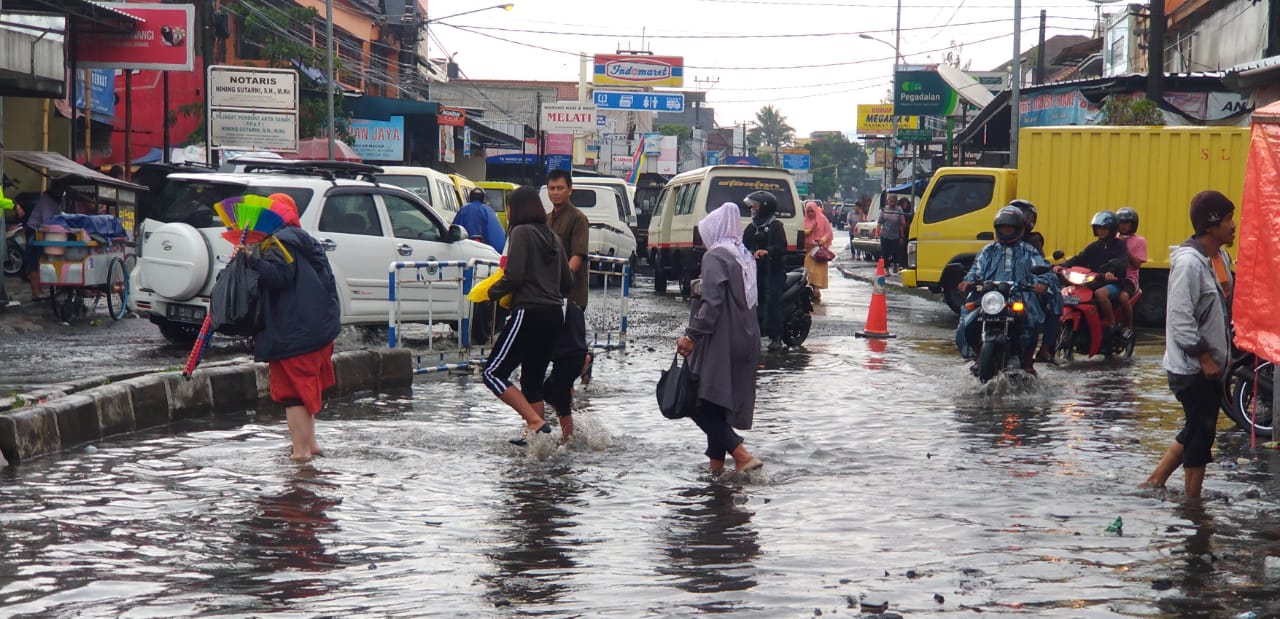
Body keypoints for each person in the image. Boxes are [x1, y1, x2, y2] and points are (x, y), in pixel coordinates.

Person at [1140, 190, 1235, 500]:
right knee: (1202, 430)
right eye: (1228, 220)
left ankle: (1156, 481)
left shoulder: (1221, 258)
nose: (1233, 226)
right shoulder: (1189, 264)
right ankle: (1192, 501)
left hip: (1213, 364)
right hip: (1191, 367)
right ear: (1210, 225)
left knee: (1197, 425)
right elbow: (1180, 319)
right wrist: (1204, 356)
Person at [244, 193, 342, 462]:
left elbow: (279, 277)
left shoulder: (279, 243)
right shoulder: (303, 241)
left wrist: (252, 260)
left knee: (293, 394)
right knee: (306, 387)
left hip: (294, 332)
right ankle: (311, 444)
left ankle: (300, 455)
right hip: (316, 329)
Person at [481, 186, 574, 445]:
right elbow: (568, 282)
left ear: (515, 210)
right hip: (555, 315)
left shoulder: (521, 233)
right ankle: (536, 440)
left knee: (492, 372)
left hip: (530, 313)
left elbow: (514, 276)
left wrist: (490, 292)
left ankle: (534, 422)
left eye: (508, 208)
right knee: (531, 379)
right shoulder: (553, 237)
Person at [677, 203, 764, 478]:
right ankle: (715, 473)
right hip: (747, 337)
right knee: (716, 405)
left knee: (695, 403)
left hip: (722, 338)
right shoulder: (743, 255)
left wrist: (692, 335)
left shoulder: (715, 257)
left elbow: (712, 303)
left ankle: (741, 455)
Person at [956, 207, 1053, 375]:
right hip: (989, 296)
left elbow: (1043, 267)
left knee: (1032, 321)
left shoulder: (1028, 250)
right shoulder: (987, 250)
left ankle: (1028, 362)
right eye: (1002, 228)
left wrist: (1041, 282)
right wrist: (967, 282)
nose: (1005, 231)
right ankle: (979, 356)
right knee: (969, 320)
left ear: (1018, 229)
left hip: (1020, 295)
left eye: (1009, 228)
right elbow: (975, 270)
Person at [545, 169, 594, 383]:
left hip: (572, 292)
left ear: (570, 190)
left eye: (560, 188)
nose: (555, 193)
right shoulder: (546, 220)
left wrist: (561, 278)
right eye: (551, 188)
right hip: (549, 293)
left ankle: (582, 366)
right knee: (555, 342)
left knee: (570, 344)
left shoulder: (578, 219)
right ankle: (568, 386)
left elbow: (579, 255)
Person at [1053, 210, 1129, 329]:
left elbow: (1122, 261)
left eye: (1104, 228)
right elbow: (1079, 258)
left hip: (1113, 282)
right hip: (1095, 281)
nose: (1100, 231)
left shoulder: (1120, 245)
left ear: (1112, 229)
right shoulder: (1094, 246)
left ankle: (1111, 322)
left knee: (1100, 294)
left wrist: (1112, 271)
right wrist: (1063, 266)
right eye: (1098, 228)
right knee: (1075, 294)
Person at [1010, 199, 1060, 363]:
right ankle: (975, 351)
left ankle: (1043, 350)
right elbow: (981, 266)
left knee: (1054, 304)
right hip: (1003, 288)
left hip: (1026, 287)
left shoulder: (1032, 241)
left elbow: (1041, 265)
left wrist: (1042, 282)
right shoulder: (994, 246)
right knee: (971, 311)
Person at [742, 190, 787, 351]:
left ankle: (776, 337)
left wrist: (767, 252)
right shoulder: (750, 228)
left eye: (756, 205)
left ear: (765, 207)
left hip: (774, 273)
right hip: (755, 273)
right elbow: (743, 246)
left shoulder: (776, 227)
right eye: (752, 205)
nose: (753, 208)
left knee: (772, 299)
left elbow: (781, 247)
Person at [26, 179, 67, 299]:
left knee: (43, 260)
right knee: (34, 261)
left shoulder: (58, 200)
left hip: (46, 232)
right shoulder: (47, 201)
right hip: (35, 231)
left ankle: (41, 290)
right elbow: (48, 222)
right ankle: (35, 292)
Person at [1115, 207, 1147, 336]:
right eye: (1120, 223)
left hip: (1129, 278)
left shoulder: (1139, 241)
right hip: (1112, 276)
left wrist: (1124, 247)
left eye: (1126, 223)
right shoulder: (1113, 238)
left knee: (1123, 297)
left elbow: (1136, 264)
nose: (1123, 226)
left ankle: (1129, 325)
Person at [453, 187, 507, 253]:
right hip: (485, 249)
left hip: (465, 248)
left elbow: (455, 229)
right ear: (483, 198)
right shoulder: (488, 210)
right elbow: (496, 233)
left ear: (470, 197)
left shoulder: (463, 209)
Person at [802, 200, 832, 302]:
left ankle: (816, 289)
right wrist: (811, 230)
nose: (810, 213)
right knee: (809, 270)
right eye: (808, 211)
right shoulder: (803, 220)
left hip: (819, 251)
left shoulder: (823, 219)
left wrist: (823, 240)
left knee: (818, 272)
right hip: (809, 250)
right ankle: (811, 289)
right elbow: (801, 233)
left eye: (812, 211)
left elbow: (828, 232)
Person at [877, 197, 906, 273]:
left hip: (895, 235)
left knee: (895, 251)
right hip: (885, 234)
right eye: (890, 200)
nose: (891, 202)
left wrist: (902, 236)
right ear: (888, 201)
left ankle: (895, 264)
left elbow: (901, 224)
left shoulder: (899, 210)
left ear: (896, 201)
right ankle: (886, 269)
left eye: (893, 200)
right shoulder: (884, 210)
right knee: (885, 252)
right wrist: (877, 231)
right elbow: (879, 222)